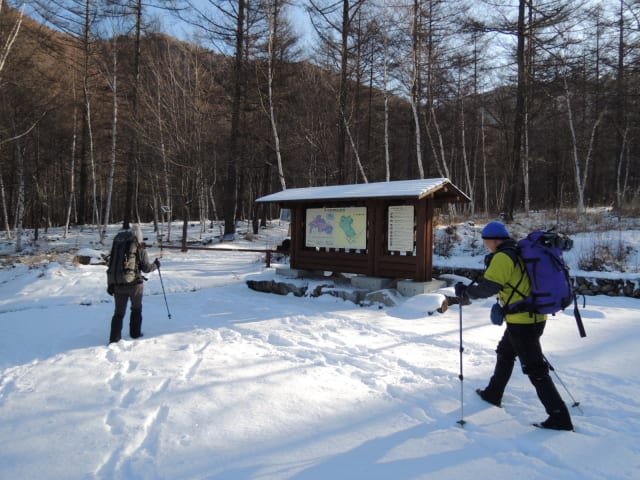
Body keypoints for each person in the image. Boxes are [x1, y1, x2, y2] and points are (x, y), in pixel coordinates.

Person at [455, 221, 573, 431]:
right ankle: (493, 393)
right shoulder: (519, 251)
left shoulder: (503, 257)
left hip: (522, 322)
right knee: (505, 352)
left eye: (486, 242)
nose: (486, 246)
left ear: (493, 240)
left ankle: (559, 417)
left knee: (535, 369)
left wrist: (465, 292)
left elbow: (490, 287)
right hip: (532, 317)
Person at [108, 224, 160, 344]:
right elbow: (146, 268)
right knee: (136, 308)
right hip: (134, 285)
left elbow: (112, 265)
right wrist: (156, 265)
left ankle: (114, 339)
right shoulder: (139, 248)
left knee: (118, 313)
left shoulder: (117, 247)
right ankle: (135, 333)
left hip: (117, 284)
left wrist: (110, 284)